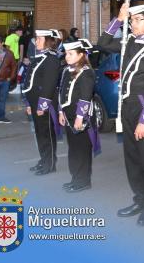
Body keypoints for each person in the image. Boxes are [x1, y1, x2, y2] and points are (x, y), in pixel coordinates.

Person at [99, 2, 144, 227]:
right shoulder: (130, 42)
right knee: (132, 159)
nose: (133, 24)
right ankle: (139, 199)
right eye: (132, 20)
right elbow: (103, 43)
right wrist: (118, 19)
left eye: (137, 20)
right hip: (127, 109)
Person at [58, 39, 96, 193]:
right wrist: (61, 111)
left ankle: (83, 181)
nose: (67, 56)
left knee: (81, 149)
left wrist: (80, 117)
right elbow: (62, 92)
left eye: (71, 53)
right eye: (66, 53)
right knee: (73, 149)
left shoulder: (86, 72)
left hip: (81, 117)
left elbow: (85, 97)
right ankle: (75, 178)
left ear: (81, 55)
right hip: (68, 116)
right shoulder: (67, 70)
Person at [22, 30, 62, 175]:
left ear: (48, 41)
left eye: (39, 39)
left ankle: (49, 164)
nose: (36, 41)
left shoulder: (51, 59)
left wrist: (42, 105)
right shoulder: (39, 57)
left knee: (47, 134)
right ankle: (44, 159)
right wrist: (28, 103)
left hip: (44, 104)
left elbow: (49, 84)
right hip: (34, 103)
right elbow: (29, 82)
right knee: (39, 133)